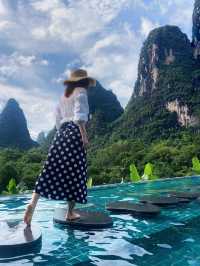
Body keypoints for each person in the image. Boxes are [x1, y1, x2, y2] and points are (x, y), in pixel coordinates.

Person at [24, 69, 96, 225]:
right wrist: (83, 135)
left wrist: (61, 133)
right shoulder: (81, 92)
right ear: (84, 81)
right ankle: (70, 213)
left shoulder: (64, 96)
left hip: (60, 134)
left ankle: (32, 204)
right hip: (75, 133)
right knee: (76, 173)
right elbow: (79, 115)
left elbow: (57, 119)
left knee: (49, 169)